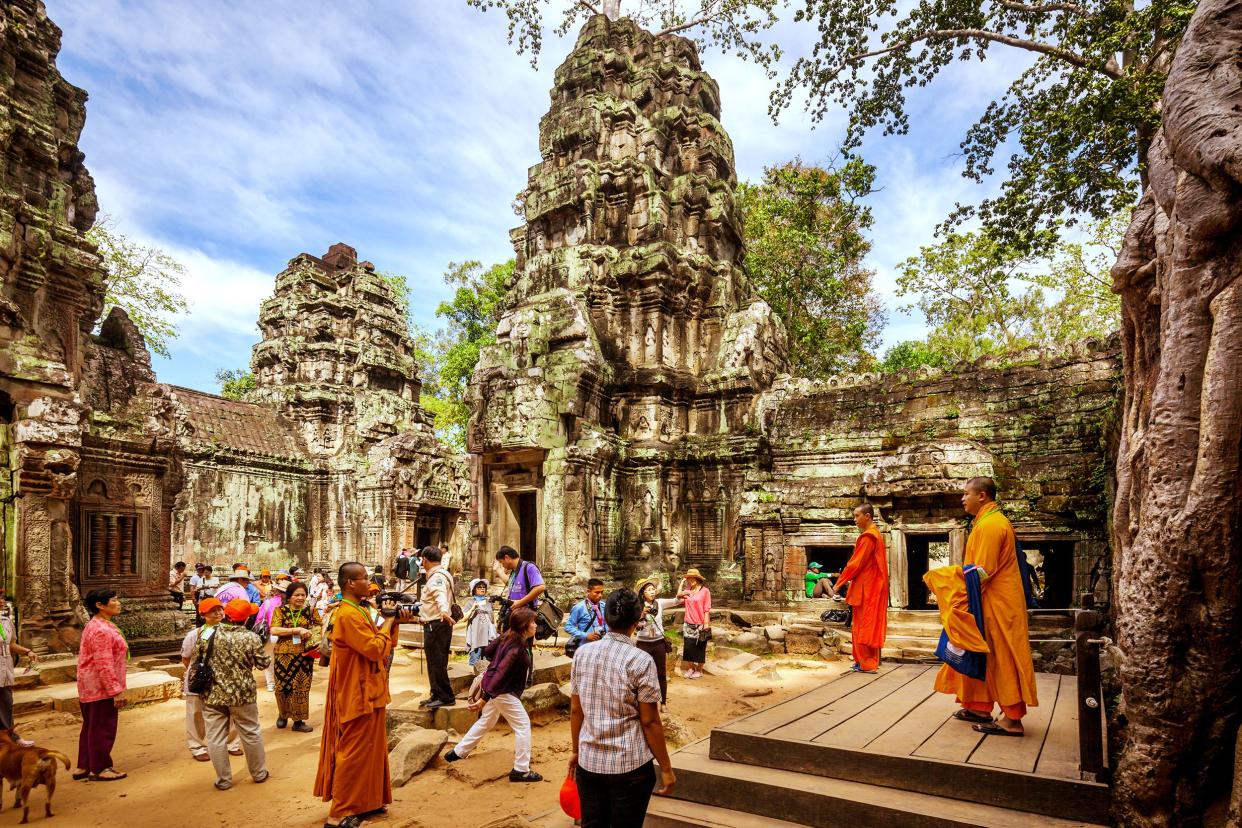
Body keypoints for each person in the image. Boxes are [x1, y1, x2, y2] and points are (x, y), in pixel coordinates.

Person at [936, 477, 1039, 736]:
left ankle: (1012, 720)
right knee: (980, 653)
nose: (962, 499)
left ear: (982, 496)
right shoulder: (985, 522)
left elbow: (982, 572)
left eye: (966, 494)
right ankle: (979, 706)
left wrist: (950, 586)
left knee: (1003, 659)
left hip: (998, 606)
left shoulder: (992, 525)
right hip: (988, 602)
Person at [314, 561, 411, 828]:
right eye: (364, 579)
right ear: (350, 584)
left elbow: (381, 642)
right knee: (354, 751)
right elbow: (373, 649)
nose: (369, 583)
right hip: (357, 691)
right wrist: (389, 620)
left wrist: (393, 622)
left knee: (372, 748)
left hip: (369, 687)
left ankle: (367, 800)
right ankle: (339, 814)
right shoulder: (346, 614)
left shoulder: (359, 610)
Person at [569, 588, 675, 826]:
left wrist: (576, 751)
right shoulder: (640, 660)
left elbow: (576, 710)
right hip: (629, 765)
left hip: (590, 761)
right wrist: (666, 768)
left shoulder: (582, 654)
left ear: (605, 617)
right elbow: (649, 720)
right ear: (637, 621)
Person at [443, 606, 541, 781]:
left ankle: (458, 752)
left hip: (496, 689)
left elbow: (488, 652)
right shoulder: (516, 648)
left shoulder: (508, 637)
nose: (535, 625)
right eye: (532, 622)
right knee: (523, 726)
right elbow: (501, 673)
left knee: (487, 720)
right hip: (502, 691)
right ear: (524, 626)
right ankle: (521, 770)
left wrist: (497, 660)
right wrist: (484, 698)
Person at [199, 598, 270, 790]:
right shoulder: (250, 638)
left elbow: (200, 656)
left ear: (226, 615)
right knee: (250, 732)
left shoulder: (208, 634)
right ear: (247, 619)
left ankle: (223, 780)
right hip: (242, 693)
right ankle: (259, 773)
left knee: (215, 736)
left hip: (213, 693)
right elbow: (263, 664)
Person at [828, 504, 890, 673]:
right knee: (868, 624)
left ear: (867, 516)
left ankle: (866, 663)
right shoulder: (875, 535)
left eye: (857, 516)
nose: (854, 520)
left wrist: (839, 583)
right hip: (871, 586)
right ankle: (866, 661)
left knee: (864, 625)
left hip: (867, 589)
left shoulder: (868, 537)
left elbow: (855, 564)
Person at [75, 589, 128, 782]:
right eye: (114, 600)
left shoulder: (98, 625)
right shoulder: (101, 630)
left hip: (91, 685)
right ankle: (100, 768)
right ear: (100, 605)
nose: (119, 603)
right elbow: (104, 663)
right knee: (102, 727)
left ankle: (85, 765)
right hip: (100, 687)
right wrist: (116, 690)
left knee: (92, 725)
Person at [180, 598, 242, 762]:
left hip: (223, 679)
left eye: (220, 609)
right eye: (213, 611)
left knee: (229, 710)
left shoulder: (230, 632)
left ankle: (232, 743)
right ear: (203, 615)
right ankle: (197, 746)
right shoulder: (194, 635)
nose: (218, 613)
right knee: (196, 713)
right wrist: (199, 672)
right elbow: (186, 658)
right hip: (200, 680)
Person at [270, 581, 321, 732]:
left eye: (303, 595)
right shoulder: (280, 611)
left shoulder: (311, 611)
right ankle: (283, 715)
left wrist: (314, 636)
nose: (300, 598)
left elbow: (318, 625)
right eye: (296, 595)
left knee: (301, 687)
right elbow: (274, 630)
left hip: (304, 655)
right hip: (283, 654)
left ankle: (298, 721)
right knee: (282, 687)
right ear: (289, 596)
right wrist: (296, 630)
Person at [416, 546, 455, 709]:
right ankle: (436, 693)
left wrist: (444, 612)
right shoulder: (442, 574)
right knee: (435, 661)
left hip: (437, 624)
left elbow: (440, 596)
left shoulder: (437, 578)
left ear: (425, 560)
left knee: (437, 661)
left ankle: (446, 696)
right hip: (437, 623)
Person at [634, 579, 678, 706]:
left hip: (658, 642)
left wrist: (681, 593)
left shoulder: (660, 603)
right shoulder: (637, 606)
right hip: (643, 643)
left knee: (661, 673)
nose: (652, 592)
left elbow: (676, 601)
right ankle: (641, 702)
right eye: (648, 590)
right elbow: (636, 627)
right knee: (640, 673)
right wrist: (642, 614)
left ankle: (663, 702)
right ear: (642, 593)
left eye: (653, 589)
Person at [0, 603, 38, 747]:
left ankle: (12, 737)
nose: (2, 602)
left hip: (4, 668)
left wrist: (28, 651)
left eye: (2, 598)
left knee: (6, 704)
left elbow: (11, 645)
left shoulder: (6, 621)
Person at [496, 546, 545, 628]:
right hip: (515, 614)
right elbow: (511, 584)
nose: (502, 565)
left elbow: (540, 587)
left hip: (526, 615)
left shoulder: (529, 567)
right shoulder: (514, 571)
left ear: (507, 558)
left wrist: (520, 602)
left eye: (501, 562)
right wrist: (498, 570)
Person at [676, 569, 711, 679]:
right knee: (688, 647)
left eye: (692, 578)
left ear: (697, 578)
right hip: (688, 623)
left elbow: (707, 609)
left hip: (701, 624)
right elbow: (678, 596)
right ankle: (691, 668)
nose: (689, 580)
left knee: (700, 648)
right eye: (688, 578)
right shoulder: (687, 590)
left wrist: (706, 624)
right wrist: (681, 583)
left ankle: (699, 670)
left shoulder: (705, 591)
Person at [255, 581, 285, 693]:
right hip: (285, 634)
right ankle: (281, 682)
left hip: (269, 634)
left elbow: (259, 619)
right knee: (283, 660)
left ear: (276, 591)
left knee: (269, 660)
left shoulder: (267, 603)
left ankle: (271, 684)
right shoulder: (288, 604)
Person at [565, 579, 608, 655]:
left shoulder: (603, 606)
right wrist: (586, 636)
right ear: (588, 591)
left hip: (602, 647)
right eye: (597, 592)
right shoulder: (579, 608)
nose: (600, 595)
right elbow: (568, 627)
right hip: (586, 649)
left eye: (602, 592)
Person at [464, 579, 497, 671]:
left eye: (484, 587)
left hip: (488, 637)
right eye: (479, 587)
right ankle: (474, 682)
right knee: (475, 661)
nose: (482, 589)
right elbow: (463, 618)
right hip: (476, 638)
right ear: (474, 589)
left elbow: (492, 618)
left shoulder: (489, 602)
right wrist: (473, 608)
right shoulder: (470, 602)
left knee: (488, 661)